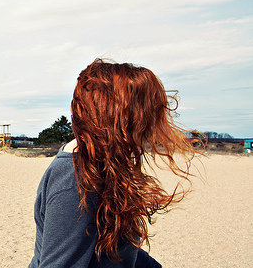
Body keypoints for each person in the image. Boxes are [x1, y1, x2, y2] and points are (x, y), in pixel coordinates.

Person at [29, 59, 202, 267]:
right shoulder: (74, 182)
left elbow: (117, 251)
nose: (153, 122)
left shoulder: (102, 164)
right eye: (145, 111)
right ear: (118, 114)